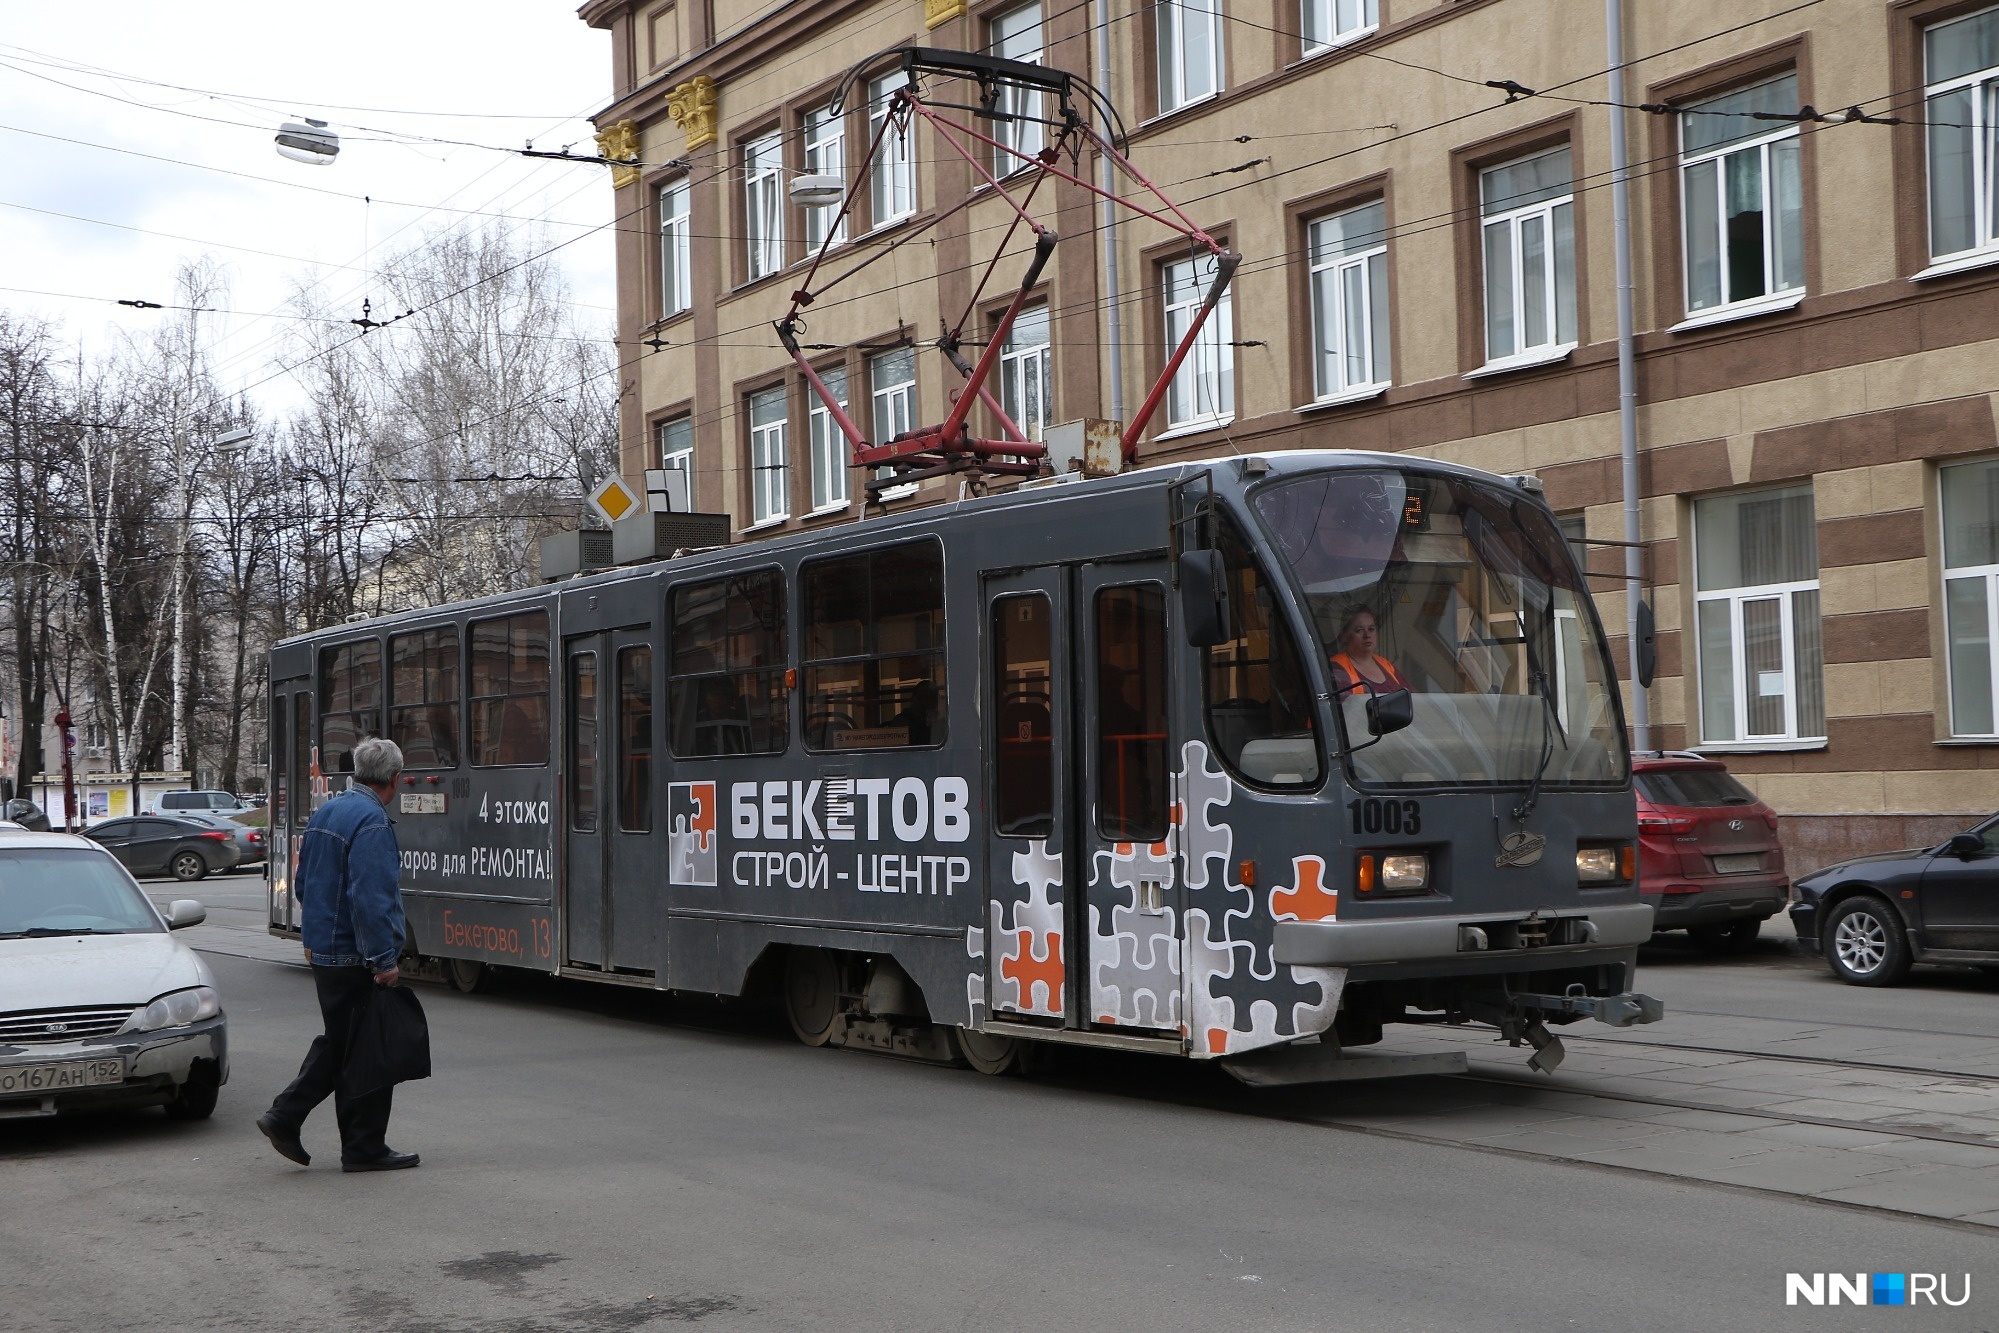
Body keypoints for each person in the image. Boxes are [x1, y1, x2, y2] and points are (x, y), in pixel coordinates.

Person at [256, 736, 420, 1173]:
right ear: (395, 779)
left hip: (327, 953)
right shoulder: (372, 823)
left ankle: (335, 1136)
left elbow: (304, 883)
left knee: (346, 1044)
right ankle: (316, 1128)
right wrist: (384, 960)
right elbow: (371, 899)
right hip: (355, 957)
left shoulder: (327, 811)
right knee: (365, 1050)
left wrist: (312, 937)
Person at [1328, 605, 1409, 698]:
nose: (1367, 635)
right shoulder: (1337, 669)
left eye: (1371, 629)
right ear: (1344, 636)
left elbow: (1411, 697)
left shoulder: (1386, 664)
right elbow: (1345, 709)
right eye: (1359, 630)